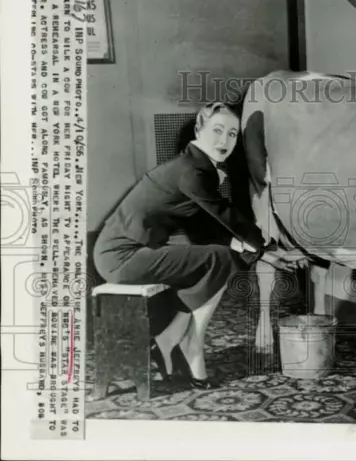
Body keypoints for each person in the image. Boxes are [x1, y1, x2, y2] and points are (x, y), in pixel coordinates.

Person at [93, 101, 293, 389]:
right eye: (217, 130)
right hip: (121, 257)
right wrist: (267, 247)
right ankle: (185, 343)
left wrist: (260, 254)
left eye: (233, 134)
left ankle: (176, 339)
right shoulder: (192, 171)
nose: (224, 140)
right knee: (222, 258)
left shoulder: (194, 166)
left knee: (224, 257)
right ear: (199, 129)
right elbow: (227, 216)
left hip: (130, 253)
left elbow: (203, 227)